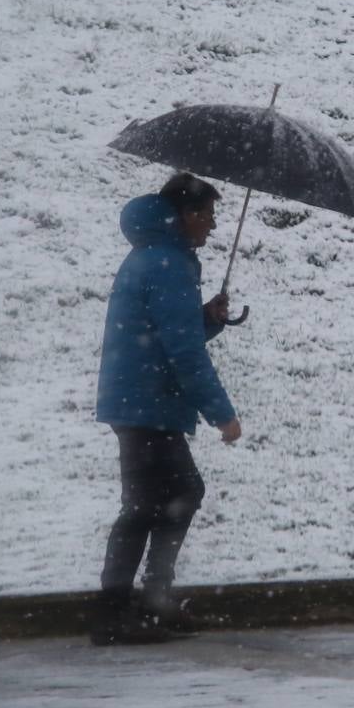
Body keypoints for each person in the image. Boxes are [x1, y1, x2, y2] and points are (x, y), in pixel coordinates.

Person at [92, 171, 242, 646]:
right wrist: (222, 414)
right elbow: (184, 354)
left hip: (139, 398)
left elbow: (171, 334)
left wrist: (206, 319)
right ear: (187, 215)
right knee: (149, 505)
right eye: (209, 215)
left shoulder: (155, 256)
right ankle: (120, 612)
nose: (213, 226)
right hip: (147, 402)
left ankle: (144, 602)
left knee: (169, 496)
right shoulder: (169, 265)